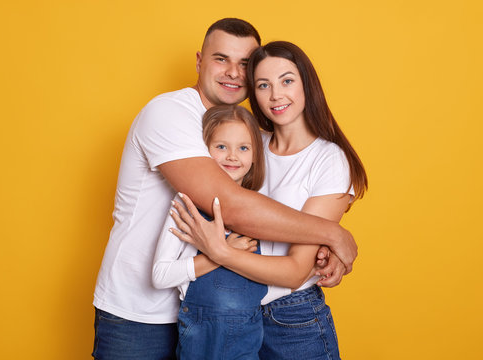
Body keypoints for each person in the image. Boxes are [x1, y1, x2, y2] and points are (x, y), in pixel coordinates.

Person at [92, 17, 357, 360]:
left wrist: (320, 244)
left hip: (211, 311)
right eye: (221, 59)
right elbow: (231, 206)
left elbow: (286, 206)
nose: (233, 72)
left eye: (244, 64)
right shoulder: (169, 113)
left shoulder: (237, 138)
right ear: (200, 61)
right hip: (140, 313)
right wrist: (333, 235)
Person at [169, 41, 368, 359]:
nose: (276, 95)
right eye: (263, 85)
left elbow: (293, 271)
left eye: (287, 81)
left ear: (307, 84)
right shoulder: (246, 146)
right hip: (234, 315)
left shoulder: (329, 160)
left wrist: (219, 252)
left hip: (292, 317)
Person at [153, 104, 267, 359]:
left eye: (243, 148)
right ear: (202, 151)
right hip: (202, 342)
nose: (232, 156)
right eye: (221, 146)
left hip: (249, 342)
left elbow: (274, 277)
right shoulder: (186, 204)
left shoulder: (260, 209)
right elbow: (160, 276)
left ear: (255, 155)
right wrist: (221, 253)